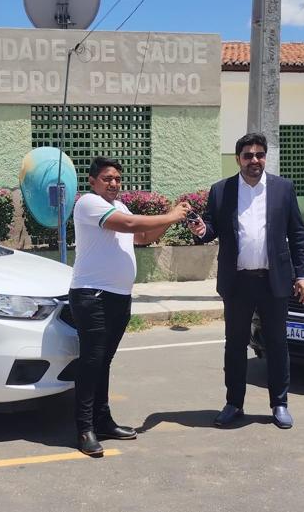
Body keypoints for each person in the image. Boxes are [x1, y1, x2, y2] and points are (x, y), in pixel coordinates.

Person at [188, 133, 304, 429]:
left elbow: (297, 234)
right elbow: (211, 229)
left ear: (265, 157)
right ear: (238, 159)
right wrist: (201, 229)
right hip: (238, 282)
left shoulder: (283, 189)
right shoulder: (222, 190)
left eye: (259, 155)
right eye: (248, 155)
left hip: (274, 280)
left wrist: (303, 274)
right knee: (235, 345)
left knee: (277, 343)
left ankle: (279, 403)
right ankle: (234, 403)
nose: (254, 160)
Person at [69, 156, 191, 456]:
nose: (114, 183)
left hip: (118, 297)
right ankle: (84, 428)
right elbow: (130, 224)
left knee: (104, 361)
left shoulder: (119, 206)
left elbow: (142, 235)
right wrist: (172, 216)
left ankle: (103, 421)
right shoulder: (87, 203)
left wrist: (169, 218)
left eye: (117, 179)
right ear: (93, 181)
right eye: (107, 178)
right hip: (92, 295)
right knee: (92, 360)